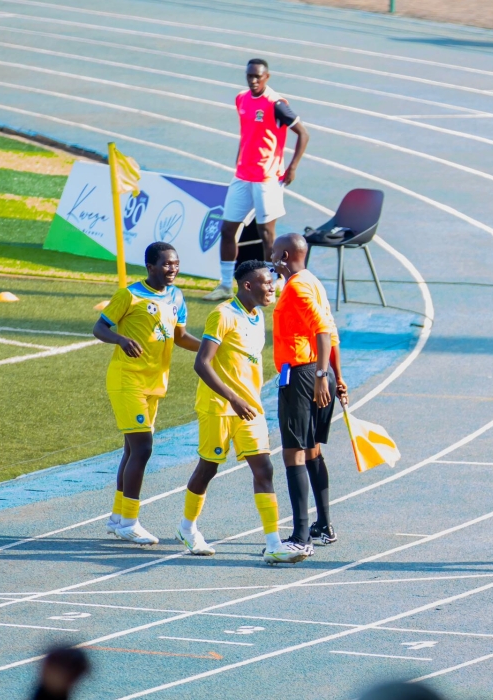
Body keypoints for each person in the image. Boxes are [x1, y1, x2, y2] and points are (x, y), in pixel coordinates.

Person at [177, 260, 308, 564]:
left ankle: (274, 543)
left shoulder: (258, 315)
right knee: (208, 468)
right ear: (248, 285)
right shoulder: (222, 315)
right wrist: (233, 398)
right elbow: (202, 363)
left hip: (250, 408)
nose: (272, 287)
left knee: (264, 469)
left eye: (273, 281)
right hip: (220, 407)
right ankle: (187, 528)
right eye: (266, 282)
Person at [93, 242, 200, 545]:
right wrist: (120, 339)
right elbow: (99, 328)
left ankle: (117, 518)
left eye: (176, 264)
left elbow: (180, 337)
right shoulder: (130, 294)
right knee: (142, 449)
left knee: (131, 450)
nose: (172, 269)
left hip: (156, 382)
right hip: (128, 380)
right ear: (150, 266)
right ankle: (130, 521)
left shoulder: (177, 297)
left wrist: (210, 347)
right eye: (166, 264)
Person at [203, 58, 309, 301]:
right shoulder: (241, 99)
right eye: (249, 76)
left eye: (257, 77)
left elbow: (303, 134)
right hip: (242, 176)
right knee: (228, 229)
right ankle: (225, 285)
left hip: (267, 178)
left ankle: (274, 285)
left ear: (266, 77)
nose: (252, 81)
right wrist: (238, 160)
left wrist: (292, 167)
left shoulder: (277, 104)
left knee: (267, 235)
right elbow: (247, 133)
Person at [271, 233, 347, 553]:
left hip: (303, 374)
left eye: (275, 253)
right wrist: (336, 378)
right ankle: (323, 525)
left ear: (285, 256)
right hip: (318, 372)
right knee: (312, 449)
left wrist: (319, 376)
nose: (271, 259)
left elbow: (322, 331)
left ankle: (301, 537)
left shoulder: (298, 288)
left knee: (294, 453)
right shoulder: (312, 281)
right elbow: (332, 331)